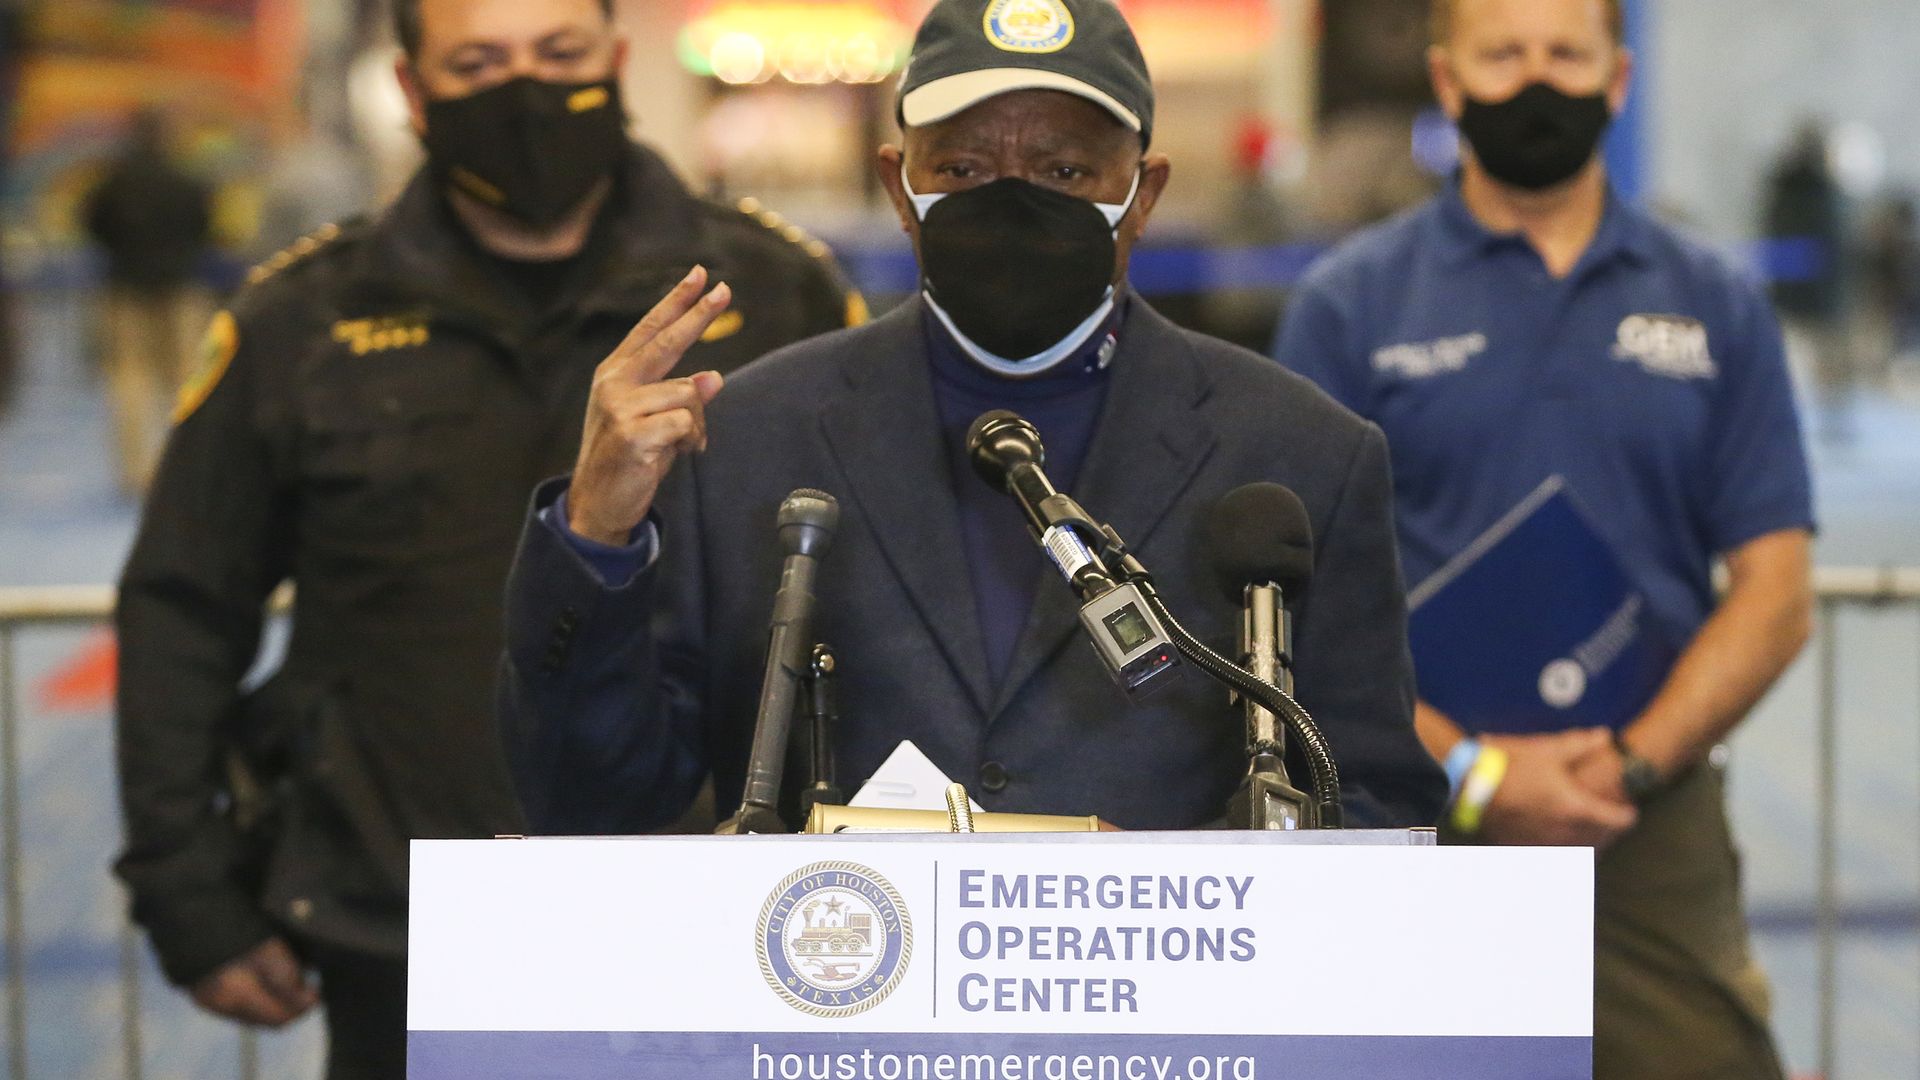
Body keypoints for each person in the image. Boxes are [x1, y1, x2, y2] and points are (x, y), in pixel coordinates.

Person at [112, 0, 862, 1076]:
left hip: (715, 911)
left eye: (559, 54)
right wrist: (187, 889)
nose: (527, 89)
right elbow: (184, 605)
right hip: (403, 914)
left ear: (613, 59)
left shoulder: (778, 289)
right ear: (413, 91)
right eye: (479, 62)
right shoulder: (301, 321)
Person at [499, 0, 1446, 844]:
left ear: (1144, 193)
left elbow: (1376, 805)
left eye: (1066, 168)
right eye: (961, 165)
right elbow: (591, 802)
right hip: (834, 1018)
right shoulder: (747, 438)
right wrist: (596, 535)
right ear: (896, 185)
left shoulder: (1302, 454)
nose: (1010, 196)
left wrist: (1164, 889)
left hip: (1169, 1033)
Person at [1273, 1, 1814, 1077]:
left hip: (1647, 816)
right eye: (1503, 54)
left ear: (1616, 82)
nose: (1536, 81)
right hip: (1417, 805)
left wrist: (1631, 765)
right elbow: (1299, 599)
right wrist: (1477, 773)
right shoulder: (1349, 305)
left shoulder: (1715, 302)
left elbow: (1776, 588)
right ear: (1447, 80)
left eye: (1565, 54)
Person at [83, 108, 216, 493]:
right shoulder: (187, 180)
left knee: (130, 379)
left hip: (125, 288)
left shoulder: (112, 183)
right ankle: (191, 466)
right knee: (191, 378)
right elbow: (206, 227)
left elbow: (93, 227)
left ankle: (135, 471)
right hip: (181, 289)